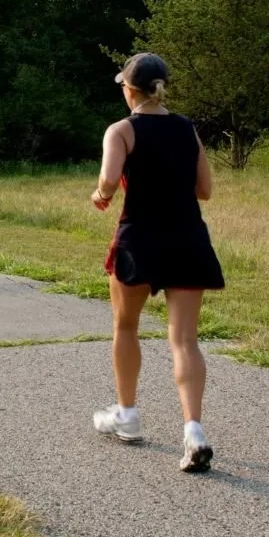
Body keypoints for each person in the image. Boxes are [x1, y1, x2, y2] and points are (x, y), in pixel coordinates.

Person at [90, 53, 226, 473]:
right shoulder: (187, 129)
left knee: (125, 325)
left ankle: (127, 414)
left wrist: (100, 195)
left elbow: (110, 180)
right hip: (186, 237)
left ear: (130, 89)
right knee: (184, 340)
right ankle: (194, 430)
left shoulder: (122, 130)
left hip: (140, 238)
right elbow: (204, 189)